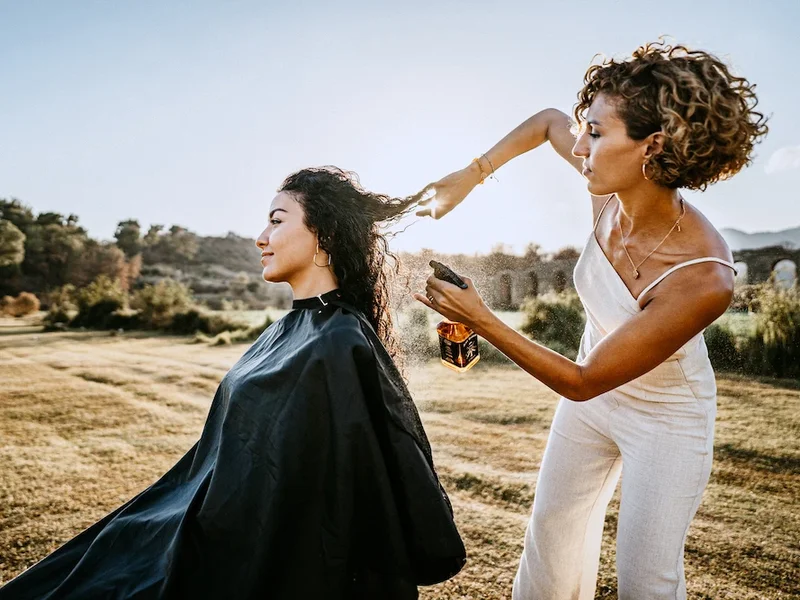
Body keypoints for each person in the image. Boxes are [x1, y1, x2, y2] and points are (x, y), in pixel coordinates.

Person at [0, 166, 466, 600]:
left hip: (250, 561)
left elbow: (340, 499)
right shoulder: (287, 331)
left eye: (277, 221)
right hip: (196, 523)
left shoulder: (338, 343)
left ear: (323, 234)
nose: (261, 238)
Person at [412, 41, 767, 600]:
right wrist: (470, 174)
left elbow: (581, 383)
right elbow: (549, 121)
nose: (579, 146)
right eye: (586, 129)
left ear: (651, 147)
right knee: (551, 540)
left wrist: (479, 319)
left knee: (646, 580)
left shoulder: (704, 276)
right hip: (593, 402)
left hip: (665, 417)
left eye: (597, 134)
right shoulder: (608, 194)